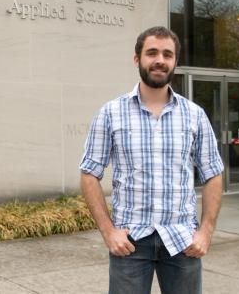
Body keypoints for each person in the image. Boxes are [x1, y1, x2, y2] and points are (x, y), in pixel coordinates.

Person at [79, 26, 224, 294]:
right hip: (130, 242)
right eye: (152, 52)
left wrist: (206, 231)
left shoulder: (194, 115)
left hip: (183, 241)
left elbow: (213, 173)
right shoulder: (111, 113)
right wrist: (108, 232)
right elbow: (89, 173)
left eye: (168, 54)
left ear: (175, 62)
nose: (160, 60)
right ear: (137, 59)